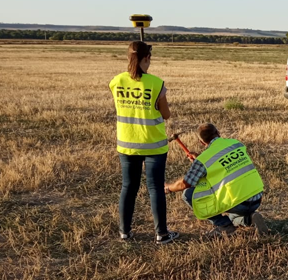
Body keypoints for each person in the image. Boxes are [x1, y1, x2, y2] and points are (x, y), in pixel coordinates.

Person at [110, 41, 178, 244]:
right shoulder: (156, 84)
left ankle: (124, 232)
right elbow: (166, 115)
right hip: (154, 145)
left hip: (127, 144)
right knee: (155, 188)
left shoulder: (116, 81)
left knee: (128, 187)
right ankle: (161, 234)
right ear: (147, 58)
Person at [164, 123, 269, 236]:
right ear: (218, 133)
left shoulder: (204, 160)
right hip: (257, 197)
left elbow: (186, 183)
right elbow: (222, 164)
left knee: (188, 194)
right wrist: (200, 159)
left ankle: (224, 225)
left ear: (201, 142)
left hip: (238, 202)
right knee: (234, 215)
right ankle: (251, 218)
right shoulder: (236, 144)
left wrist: (168, 188)